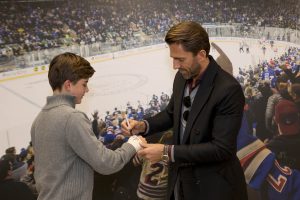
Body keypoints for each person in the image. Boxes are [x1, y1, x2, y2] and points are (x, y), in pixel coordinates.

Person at [122, 21, 247, 200]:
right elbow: (171, 114)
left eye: (180, 59)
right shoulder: (181, 78)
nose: (174, 65)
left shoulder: (228, 89)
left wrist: (167, 152)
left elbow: (221, 149)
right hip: (181, 181)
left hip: (213, 187)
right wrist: (143, 126)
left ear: (201, 55)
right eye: (173, 58)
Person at [31, 52, 146, 200]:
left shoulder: (39, 120)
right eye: (84, 84)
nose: (87, 90)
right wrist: (132, 145)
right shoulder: (72, 118)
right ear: (68, 85)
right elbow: (106, 163)